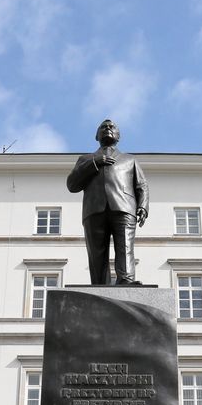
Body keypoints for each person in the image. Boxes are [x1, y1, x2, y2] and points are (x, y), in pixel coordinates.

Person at [66, 119, 149, 284]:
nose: (108, 128)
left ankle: (126, 280)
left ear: (119, 136)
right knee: (96, 252)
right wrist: (94, 163)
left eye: (112, 127)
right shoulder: (85, 159)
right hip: (94, 209)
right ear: (96, 136)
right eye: (103, 127)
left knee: (125, 247)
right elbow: (72, 184)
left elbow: (142, 185)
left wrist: (143, 206)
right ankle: (99, 284)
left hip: (124, 207)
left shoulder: (130, 159)